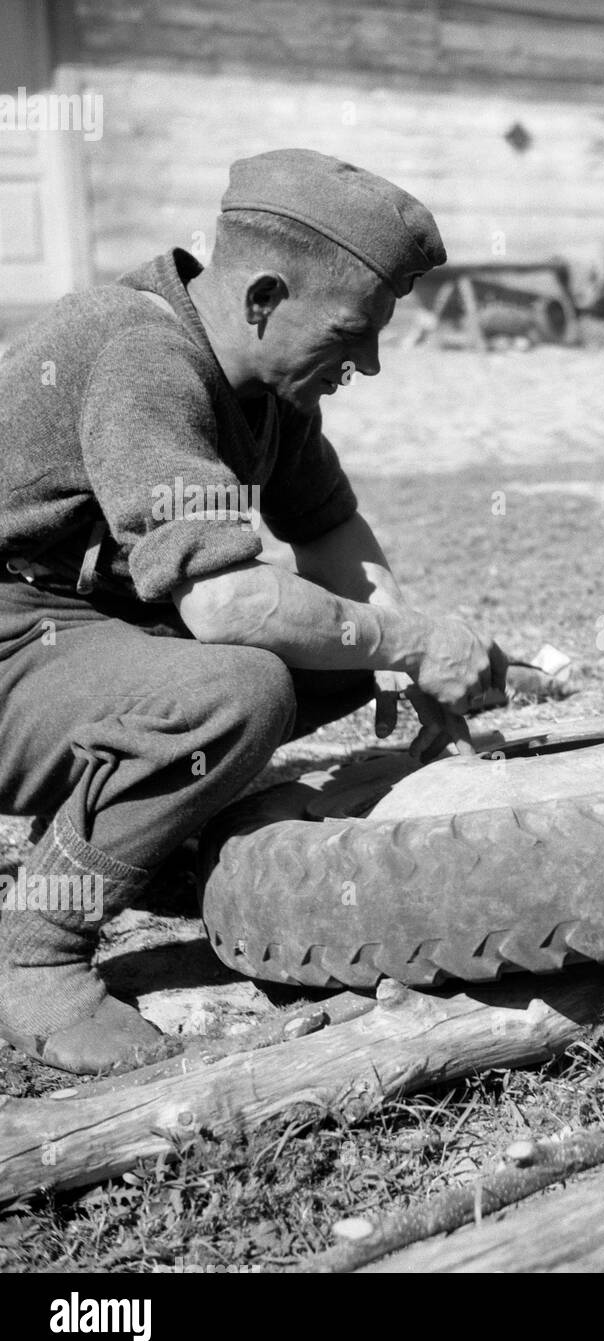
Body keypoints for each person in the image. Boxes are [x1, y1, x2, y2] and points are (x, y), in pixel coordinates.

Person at [0, 148, 506, 1074]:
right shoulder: (143, 353)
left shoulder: (267, 383)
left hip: (66, 632)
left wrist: (407, 654)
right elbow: (229, 607)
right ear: (264, 297)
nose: (372, 362)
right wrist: (414, 639)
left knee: (340, 651)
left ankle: (131, 837)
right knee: (240, 685)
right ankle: (38, 947)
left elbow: (333, 531)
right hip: (10, 638)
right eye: (354, 331)